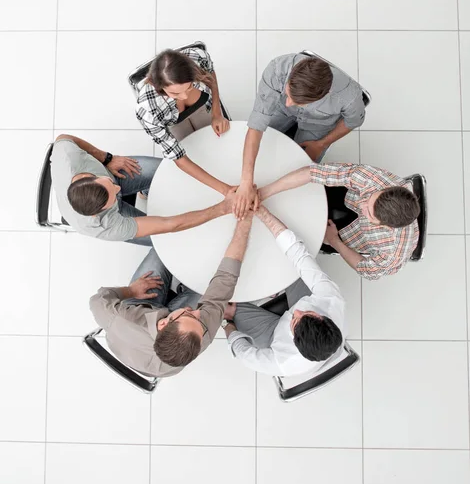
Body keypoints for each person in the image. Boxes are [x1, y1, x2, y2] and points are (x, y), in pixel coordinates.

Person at [89, 212, 254, 377]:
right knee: (208, 288)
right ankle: (183, 290)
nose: (196, 311)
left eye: (190, 315)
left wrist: (131, 290)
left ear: (163, 324)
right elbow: (225, 280)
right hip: (148, 342)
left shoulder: (119, 318)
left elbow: (97, 300)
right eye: (199, 320)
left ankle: (179, 289)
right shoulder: (201, 336)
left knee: (164, 243)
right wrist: (245, 224)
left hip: (138, 308)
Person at [233, 53, 366, 218]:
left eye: (296, 101)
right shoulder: (277, 69)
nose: (289, 102)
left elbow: (353, 122)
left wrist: (322, 144)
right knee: (259, 149)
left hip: (318, 123)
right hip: (280, 111)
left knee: (298, 170)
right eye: (287, 94)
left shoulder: (348, 96)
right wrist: (246, 182)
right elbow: (256, 126)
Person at [222, 205, 345, 377]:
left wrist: (228, 324)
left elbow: (244, 354)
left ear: (293, 340)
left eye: (294, 320)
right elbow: (300, 255)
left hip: (272, 334)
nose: (297, 311)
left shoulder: (283, 362)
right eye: (307, 313)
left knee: (222, 303)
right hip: (306, 297)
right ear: (322, 317)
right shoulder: (330, 299)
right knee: (296, 261)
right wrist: (263, 213)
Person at [51, 134, 234, 246]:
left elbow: (63, 138)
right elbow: (169, 224)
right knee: (165, 240)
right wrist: (223, 208)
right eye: (114, 196)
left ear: (89, 176)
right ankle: (140, 192)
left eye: (109, 184)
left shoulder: (68, 155)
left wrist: (106, 158)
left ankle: (144, 190)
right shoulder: (105, 226)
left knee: (166, 171)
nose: (118, 189)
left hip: (110, 169)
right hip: (117, 216)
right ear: (99, 213)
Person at [257, 162, 420, 280]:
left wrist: (334, 241)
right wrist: (262, 194)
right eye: (370, 198)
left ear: (385, 226)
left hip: (344, 237)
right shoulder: (373, 181)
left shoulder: (393, 253)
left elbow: (366, 269)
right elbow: (313, 172)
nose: (362, 204)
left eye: (368, 213)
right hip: (346, 198)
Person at [136, 46, 232, 195]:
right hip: (174, 122)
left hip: (202, 107)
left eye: (189, 87)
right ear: (159, 86)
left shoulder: (198, 57)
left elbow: (211, 79)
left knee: (215, 147)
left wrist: (216, 113)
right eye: (175, 93)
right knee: (194, 156)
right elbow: (179, 158)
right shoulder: (147, 110)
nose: (184, 97)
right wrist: (225, 190)